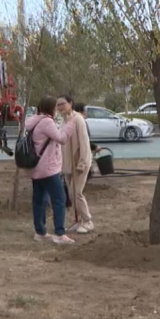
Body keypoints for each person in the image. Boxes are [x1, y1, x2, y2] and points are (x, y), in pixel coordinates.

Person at [24, 95, 77, 245]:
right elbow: (61, 138)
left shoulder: (34, 120)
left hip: (36, 168)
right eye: (55, 107)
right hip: (48, 169)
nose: (57, 109)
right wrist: (71, 123)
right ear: (49, 108)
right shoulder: (46, 122)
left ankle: (40, 232)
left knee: (39, 200)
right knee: (59, 199)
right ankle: (60, 234)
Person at [61, 96, 94, 234]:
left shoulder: (78, 119)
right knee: (71, 193)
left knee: (76, 193)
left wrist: (82, 162)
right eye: (57, 105)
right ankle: (78, 220)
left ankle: (88, 221)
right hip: (67, 164)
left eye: (63, 104)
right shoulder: (64, 121)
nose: (60, 107)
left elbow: (84, 143)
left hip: (79, 164)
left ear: (70, 104)